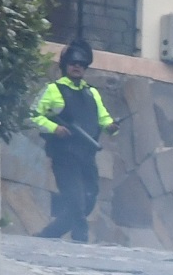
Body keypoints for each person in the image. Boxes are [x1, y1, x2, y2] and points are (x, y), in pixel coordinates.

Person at [32, 39, 118, 243]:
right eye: (72, 63)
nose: (77, 66)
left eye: (81, 64)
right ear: (64, 66)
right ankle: (81, 240)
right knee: (76, 200)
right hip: (65, 156)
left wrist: (111, 127)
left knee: (88, 200)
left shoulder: (91, 92)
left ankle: (48, 234)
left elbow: (103, 117)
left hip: (86, 156)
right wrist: (55, 128)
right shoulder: (53, 90)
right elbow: (33, 116)